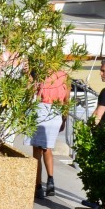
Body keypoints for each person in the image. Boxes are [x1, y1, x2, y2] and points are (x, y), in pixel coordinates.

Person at [31, 68, 69, 199]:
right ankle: (51, 180)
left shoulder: (42, 73)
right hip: (56, 113)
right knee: (47, 148)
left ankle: (37, 186)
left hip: (42, 110)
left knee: (37, 151)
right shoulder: (65, 75)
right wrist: (64, 119)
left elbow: (34, 93)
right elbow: (66, 100)